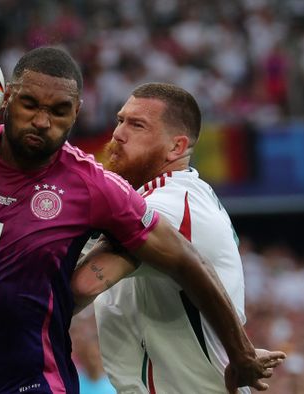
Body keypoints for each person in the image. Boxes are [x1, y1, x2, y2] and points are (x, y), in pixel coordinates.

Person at [0, 46, 278, 394]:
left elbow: (174, 261)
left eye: (60, 110)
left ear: (76, 112)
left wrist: (239, 350)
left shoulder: (113, 192)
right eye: (29, 104)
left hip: (36, 380)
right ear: (6, 97)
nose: (42, 121)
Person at [70, 82, 271, 393]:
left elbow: (79, 288)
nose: (118, 134)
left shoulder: (166, 208)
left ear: (177, 147)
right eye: (120, 120)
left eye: (137, 125)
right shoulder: (179, 196)